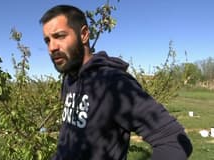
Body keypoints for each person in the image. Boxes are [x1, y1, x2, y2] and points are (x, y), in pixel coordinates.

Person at [39, 4, 192, 160]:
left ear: (84, 34)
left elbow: (174, 141)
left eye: (60, 36)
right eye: (47, 40)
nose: (52, 47)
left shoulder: (114, 84)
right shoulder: (69, 79)